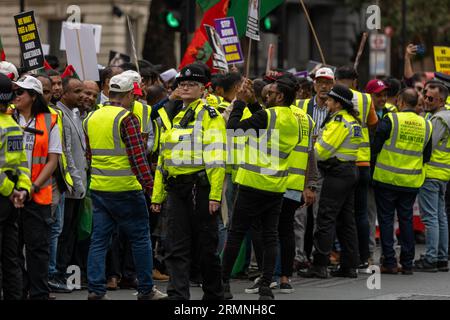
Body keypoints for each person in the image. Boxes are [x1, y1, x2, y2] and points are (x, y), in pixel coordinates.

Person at [83, 72, 167, 300]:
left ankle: (96, 291)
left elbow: (89, 155)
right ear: (130, 94)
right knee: (140, 239)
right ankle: (146, 290)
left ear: (110, 93)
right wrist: (152, 191)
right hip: (127, 190)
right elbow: (139, 160)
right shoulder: (128, 119)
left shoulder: (91, 117)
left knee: (99, 240)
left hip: (100, 189)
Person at [222, 76, 302, 300]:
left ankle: (223, 284)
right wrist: (253, 102)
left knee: (236, 234)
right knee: (270, 237)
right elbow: (264, 122)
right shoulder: (293, 119)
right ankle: (266, 286)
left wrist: (239, 102)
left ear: (280, 96)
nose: (267, 94)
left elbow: (233, 130)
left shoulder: (268, 115)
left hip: (252, 184)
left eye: (271, 92)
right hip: (276, 187)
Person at [151, 64, 226, 300]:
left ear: (204, 89)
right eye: (181, 84)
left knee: (206, 247)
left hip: (199, 188)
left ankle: (214, 294)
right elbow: (164, 158)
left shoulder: (210, 115)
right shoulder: (176, 114)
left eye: (191, 84)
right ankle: (177, 296)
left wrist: (215, 195)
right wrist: (157, 196)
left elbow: (216, 156)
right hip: (175, 189)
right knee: (176, 247)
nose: (184, 88)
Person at [302, 84, 362, 279]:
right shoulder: (351, 120)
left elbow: (321, 152)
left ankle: (320, 265)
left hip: (336, 173)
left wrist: (312, 145)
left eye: (329, 100)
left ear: (338, 103)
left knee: (325, 219)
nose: (326, 102)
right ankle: (349, 265)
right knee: (347, 221)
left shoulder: (338, 122)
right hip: (350, 171)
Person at [372, 88, 432, 275]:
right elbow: (426, 156)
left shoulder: (391, 119)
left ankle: (389, 261)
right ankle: (407, 263)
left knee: (386, 221)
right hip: (411, 181)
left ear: (400, 101)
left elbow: (375, 147)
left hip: (386, 179)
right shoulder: (426, 125)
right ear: (416, 104)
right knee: (406, 220)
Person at [12, 75, 61, 299]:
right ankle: (18, 291)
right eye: (14, 91)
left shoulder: (50, 120)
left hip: (37, 195)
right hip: (10, 194)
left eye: (21, 92)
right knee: (11, 250)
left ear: (33, 96)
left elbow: (52, 161)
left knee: (37, 249)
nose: (16, 95)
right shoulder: (7, 117)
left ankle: (39, 293)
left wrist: (32, 187)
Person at [335, 66, 378, 271]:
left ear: (336, 79)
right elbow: (373, 123)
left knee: (342, 213)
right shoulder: (366, 99)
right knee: (361, 213)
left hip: (343, 161)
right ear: (354, 80)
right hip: (363, 162)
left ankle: (343, 256)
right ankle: (364, 257)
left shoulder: (334, 97)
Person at [293, 67, 333, 269]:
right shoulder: (301, 105)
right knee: (299, 214)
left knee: (319, 215)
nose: (323, 86)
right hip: (303, 166)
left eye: (327, 82)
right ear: (314, 84)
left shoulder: (335, 109)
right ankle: (298, 256)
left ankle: (318, 257)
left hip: (324, 168)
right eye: (320, 82)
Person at [54, 77, 88, 288]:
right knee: (64, 233)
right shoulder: (60, 115)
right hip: (70, 186)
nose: (82, 95)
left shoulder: (75, 114)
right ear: (64, 93)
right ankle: (58, 273)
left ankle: (67, 275)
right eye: (77, 91)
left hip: (79, 184)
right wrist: (76, 183)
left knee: (73, 233)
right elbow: (66, 153)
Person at [0, 73, 31, 300]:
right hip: (12, 200)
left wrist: (10, 191)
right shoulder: (12, 123)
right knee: (11, 258)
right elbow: (22, 164)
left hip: (4, 195)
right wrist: (22, 190)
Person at [415, 81, 450, 272]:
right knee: (440, 216)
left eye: (430, 98)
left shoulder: (438, 119)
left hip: (431, 173)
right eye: (425, 96)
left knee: (431, 218)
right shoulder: (445, 116)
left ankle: (431, 259)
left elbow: (428, 144)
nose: (426, 100)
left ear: (441, 100)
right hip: (443, 173)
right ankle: (442, 258)